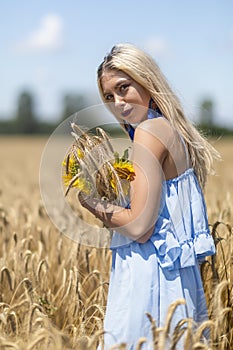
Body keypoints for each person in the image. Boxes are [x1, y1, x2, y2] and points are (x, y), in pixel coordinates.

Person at [78, 43, 219, 349]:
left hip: (149, 281)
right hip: (176, 280)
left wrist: (90, 202)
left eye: (123, 87)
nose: (118, 103)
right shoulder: (169, 129)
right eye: (109, 97)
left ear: (146, 80)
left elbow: (140, 227)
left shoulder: (148, 132)